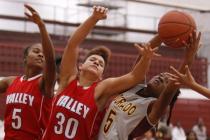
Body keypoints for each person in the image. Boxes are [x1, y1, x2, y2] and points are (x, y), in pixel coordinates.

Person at [42, 6, 158, 140]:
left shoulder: (100, 89)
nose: (96, 62)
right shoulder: (67, 80)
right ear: (81, 66)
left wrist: (146, 58)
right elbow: (72, 44)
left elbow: (135, 77)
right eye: (92, 59)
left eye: (101, 64)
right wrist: (94, 18)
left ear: (101, 75)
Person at [97, 31, 201, 140]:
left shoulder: (153, 108)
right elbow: (144, 54)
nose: (161, 78)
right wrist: (163, 34)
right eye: (161, 75)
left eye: (166, 81)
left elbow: (172, 87)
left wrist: (189, 57)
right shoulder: (135, 86)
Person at [0, 4, 56, 139]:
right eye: (36, 51)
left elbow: (50, 59)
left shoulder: (45, 83)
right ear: (25, 58)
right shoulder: (10, 81)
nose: (41, 55)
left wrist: (42, 26)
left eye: (42, 53)